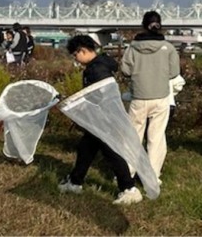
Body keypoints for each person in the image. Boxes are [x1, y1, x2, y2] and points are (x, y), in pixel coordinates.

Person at [59, 34, 142, 205]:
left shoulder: (96, 70)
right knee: (85, 149)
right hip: (99, 118)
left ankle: (129, 189)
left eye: (75, 54)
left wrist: (81, 105)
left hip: (103, 119)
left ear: (82, 50)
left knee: (112, 153)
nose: (75, 58)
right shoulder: (100, 65)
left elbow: (101, 96)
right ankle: (75, 182)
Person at [121, 11, 180, 184]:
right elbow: (174, 73)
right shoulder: (168, 48)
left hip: (139, 96)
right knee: (156, 137)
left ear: (143, 25)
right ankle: (153, 175)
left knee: (134, 135)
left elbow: (125, 71)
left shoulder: (132, 47)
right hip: (161, 96)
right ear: (159, 25)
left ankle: (128, 172)